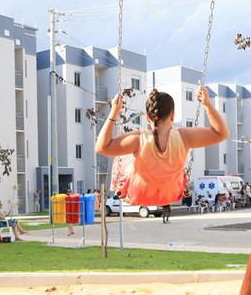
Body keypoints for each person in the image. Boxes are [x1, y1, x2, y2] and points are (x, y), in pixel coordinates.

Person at [95, 87, 229, 206]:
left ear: (148, 118)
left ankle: (123, 186)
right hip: (171, 193)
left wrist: (114, 113)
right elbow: (221, 134)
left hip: (138, 193)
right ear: (172, 115)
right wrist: (207, 104)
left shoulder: (138, 138)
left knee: (124, 158)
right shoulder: (184, 137)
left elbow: (101, 147)